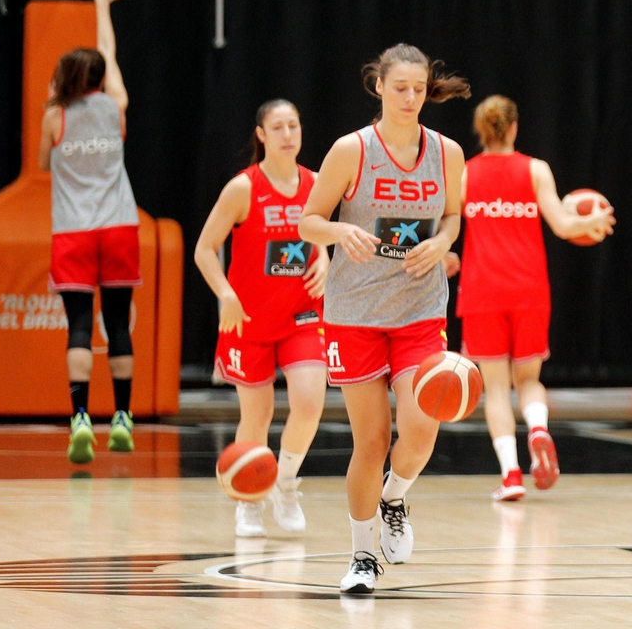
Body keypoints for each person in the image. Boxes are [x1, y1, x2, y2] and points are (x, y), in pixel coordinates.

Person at [299, 43, 468, 594]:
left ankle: (395, 496)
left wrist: (440, 242)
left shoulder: (447, 152)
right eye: (401, 87)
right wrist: (339, 231)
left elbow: (452, 218)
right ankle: (362, 555)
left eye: (419, 89)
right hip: (355, 314)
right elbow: (308, 221)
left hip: (419, 307)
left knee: (421, 431)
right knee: (370, 441)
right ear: (379, 87)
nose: (411, 97)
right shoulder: (352, 150)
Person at [457, 95, 613, 501]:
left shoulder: (464, 174)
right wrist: (591, 220)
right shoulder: (536, 170)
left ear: (481, 129)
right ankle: (539, 428)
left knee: (495, 389)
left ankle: (511, 475)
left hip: (481, 289)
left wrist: (446, 256)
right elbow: (563, 226)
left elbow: (448, 228)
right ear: (513, 128)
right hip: (528, 289)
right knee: (529, 380)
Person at [193, 99, 328, 538]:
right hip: (249, 319)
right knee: (258, 414)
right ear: (262, 135)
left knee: (309, 402)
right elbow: (203, 249)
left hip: (301, 314)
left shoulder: (316, 184)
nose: (288, 133)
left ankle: (285, 482)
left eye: (294, 125)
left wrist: (324, 259)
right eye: (278, 126)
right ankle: (248, 499)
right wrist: (226, 294)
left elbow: (322, 235)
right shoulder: (243, 188)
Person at [37, 0, 139, 464]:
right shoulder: (114, 106)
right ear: (98, 77)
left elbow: (41, 164)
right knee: (117, 322)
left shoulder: (55, 116)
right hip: (118, 225)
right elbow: (109, 51)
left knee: (79, 324)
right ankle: (122, 417)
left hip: (72, 230)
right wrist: (102, 6)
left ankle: (80, 418)